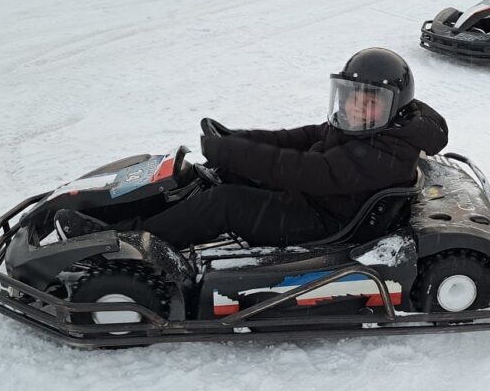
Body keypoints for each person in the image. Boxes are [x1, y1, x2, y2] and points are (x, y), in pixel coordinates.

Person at [55, 47, 448, 248]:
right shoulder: (370, 130)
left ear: (393, 105)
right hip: (318, 199)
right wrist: (240, 139)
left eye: (370, 100)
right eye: (352, 96)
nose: (357, 106)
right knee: (213, 177)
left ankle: (125, 241)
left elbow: (305, 171)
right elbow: (302, 137)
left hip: (326, 221)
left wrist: (233, 152)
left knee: (223, 202)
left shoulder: (384, 151)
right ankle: (125, 214)